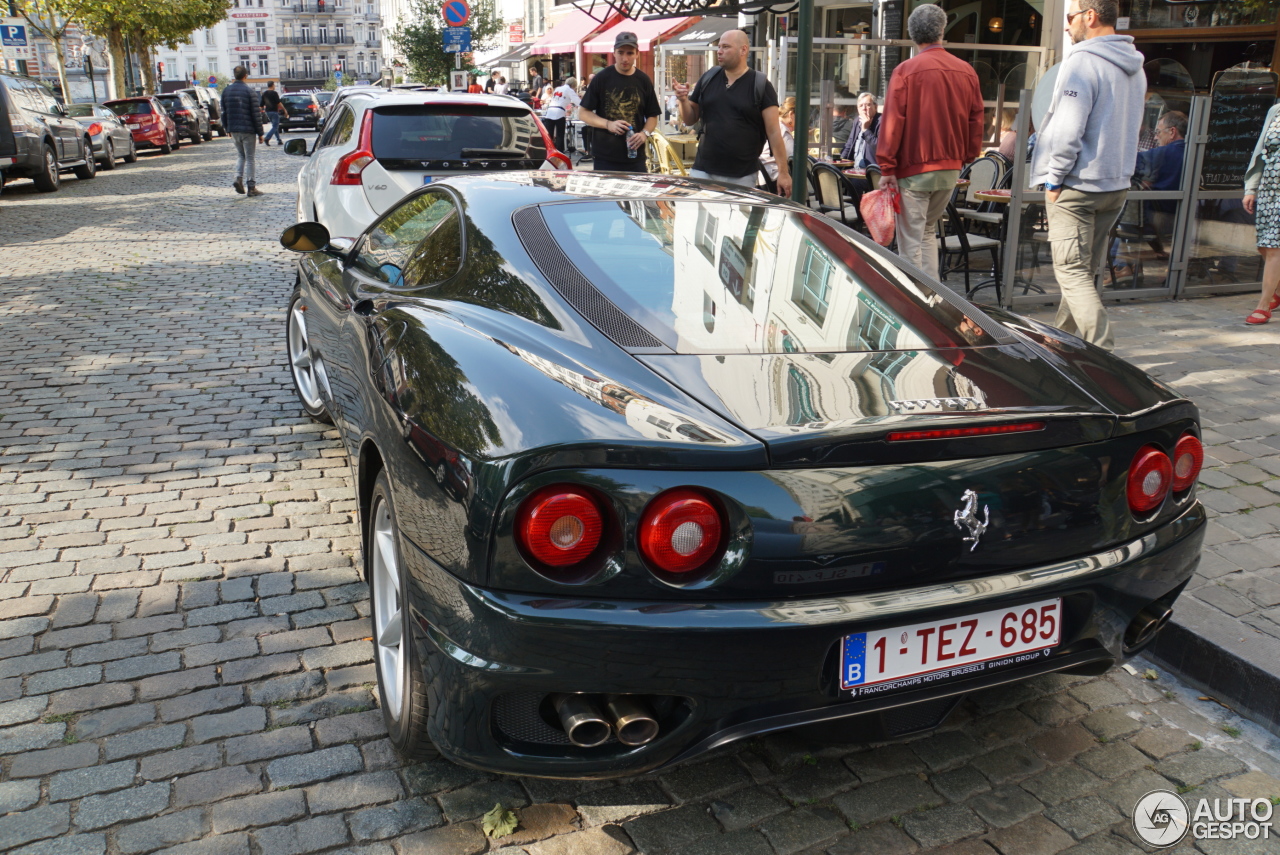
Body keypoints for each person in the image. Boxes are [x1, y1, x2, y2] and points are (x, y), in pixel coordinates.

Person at [1030, 0, 1145, 350]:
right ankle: (1058, 347)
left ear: (1090, 16)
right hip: (1114, 185)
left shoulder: (1082, 61)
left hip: (1077, 186)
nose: (1067, 26)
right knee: (1081, 273)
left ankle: (1105, 354)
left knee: (1071, 272)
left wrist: (1053, 179)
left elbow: (1067, 129)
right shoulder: (1135, 68)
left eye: (1070, 17)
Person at [877, 4, 984, 281]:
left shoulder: (906, 71)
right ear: (942, 30)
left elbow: (892, 122)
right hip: (949, 168)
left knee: (910, 243)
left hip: (913, 170)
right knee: (926, 233)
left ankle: (915, 304)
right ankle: (932, 296)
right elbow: (976, 119)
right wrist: (968, 155)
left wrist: (887, 168)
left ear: (913, 34)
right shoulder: (966, 71)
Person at [673, 29, 792, 196]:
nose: (719, 51)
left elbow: (774, 132)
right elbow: (690, 119)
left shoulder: (760, 84)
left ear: (743, 50)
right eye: (719, 47)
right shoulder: (709, 77)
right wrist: (683, 100)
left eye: (726, 47)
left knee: (735, 222)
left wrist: (783, 173)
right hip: (703, 169)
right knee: (699, 222)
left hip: (741, 175)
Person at [579, 32, 661, 173]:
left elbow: (653, 115)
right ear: (614, 52)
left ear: (637, 54)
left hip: (635, 157)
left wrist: (644, 134)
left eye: (630, 53)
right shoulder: (602, 78)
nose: (625, 58)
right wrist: (608, 124)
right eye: (621, 52)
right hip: (605, 158)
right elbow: (583, 113)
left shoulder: (643, 80)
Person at [1241, 100, 1280, 324]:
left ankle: (1263, 305)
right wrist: (1251, 187)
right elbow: (1261, 149)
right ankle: (1278, 291)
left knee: (1274, 246)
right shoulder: (1276, 110)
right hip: (1269, 188)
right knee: (1265, 246)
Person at [220, 65, 265, 196]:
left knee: (241, 155)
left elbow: (223, 112)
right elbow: (256, 114)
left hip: (234, 129)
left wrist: (227, 127)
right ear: (246, 76)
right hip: (248, 130)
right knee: (250, 158)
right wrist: (260, 133)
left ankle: (238, 178)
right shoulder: (249, 92)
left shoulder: (226, 91)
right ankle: (251, 187)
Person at [759, 96, 795, 187]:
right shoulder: (783, 130)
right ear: (791, 114)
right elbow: (794, 157)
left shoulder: (775, 125)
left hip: (763, 176)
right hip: (775, 178)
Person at [839, 92, 880, 168]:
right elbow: (849, 143)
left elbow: (880, 147)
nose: (864, 108)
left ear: (876, 107)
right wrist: (841, 161)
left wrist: (865, 130)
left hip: (873, 171)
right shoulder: (857, 120)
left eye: (868, 105)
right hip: (855, 168)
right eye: (861, 106)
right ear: (858, 109)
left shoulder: (882, 121)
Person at [543, 77, 580, 153]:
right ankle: (559, 151)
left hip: (550, 111)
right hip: (559, 112)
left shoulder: (557, 89)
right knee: (560, 134)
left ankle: (548, 150)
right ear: (573, 85)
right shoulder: (569, 90)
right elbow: (578, 102)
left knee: (549, 134)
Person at [260, 81, 288, 147]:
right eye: (274, 85)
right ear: (272, 85)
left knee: (275, 126)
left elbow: (261, 105)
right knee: (275, 126)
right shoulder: (274, 93)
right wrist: (284, 110)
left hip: (267, 112)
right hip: (274, 111)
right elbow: (278, 102)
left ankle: (279, 140)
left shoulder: (264, 93)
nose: (274, 86)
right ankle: (267, 138)